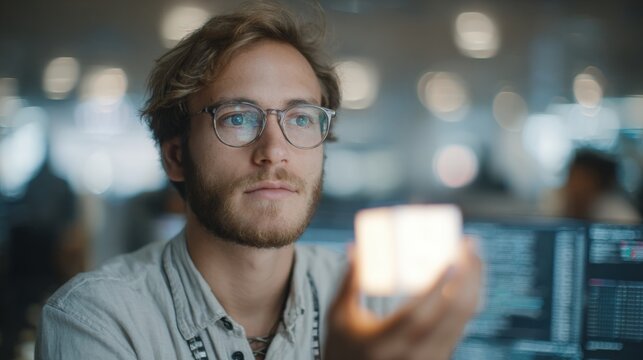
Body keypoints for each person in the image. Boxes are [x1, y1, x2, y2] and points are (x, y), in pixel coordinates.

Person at [35, 2, 482, 359]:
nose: (274, 149)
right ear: (176, 156)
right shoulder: (96, 320)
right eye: (236, 118)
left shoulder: (379, 302)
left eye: (301, 118)